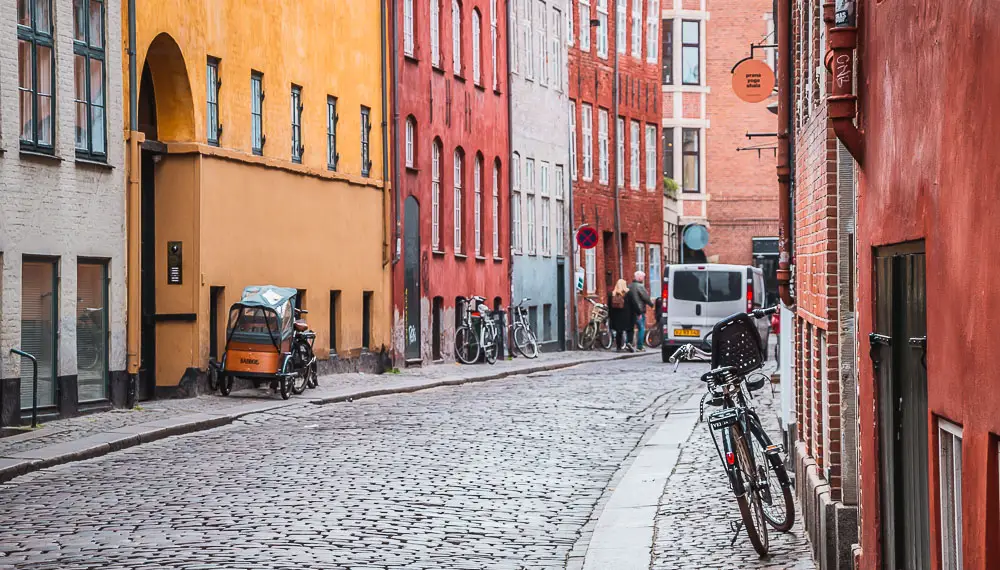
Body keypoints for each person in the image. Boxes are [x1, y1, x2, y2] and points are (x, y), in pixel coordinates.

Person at [628, 271, 655, 351]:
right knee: (641, 328)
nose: (643, 279)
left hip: (631, 311)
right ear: (639, 278)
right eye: (643, 277)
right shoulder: (640, 286)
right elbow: (645, 297)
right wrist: (652, 305)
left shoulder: (629, 286)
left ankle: (628, 343)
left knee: (630, 328)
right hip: (639, 311)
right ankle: (640, 346)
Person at [607, 279, 635, 351]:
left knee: (619, 332)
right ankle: (629, 342)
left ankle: (618, 347)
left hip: (616, 316)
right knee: (630, 330)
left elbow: (609, 306)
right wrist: (637, 312)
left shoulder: (612, 294)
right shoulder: (628, 293)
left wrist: (610, 316)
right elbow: (633, 304)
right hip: (626, 316)